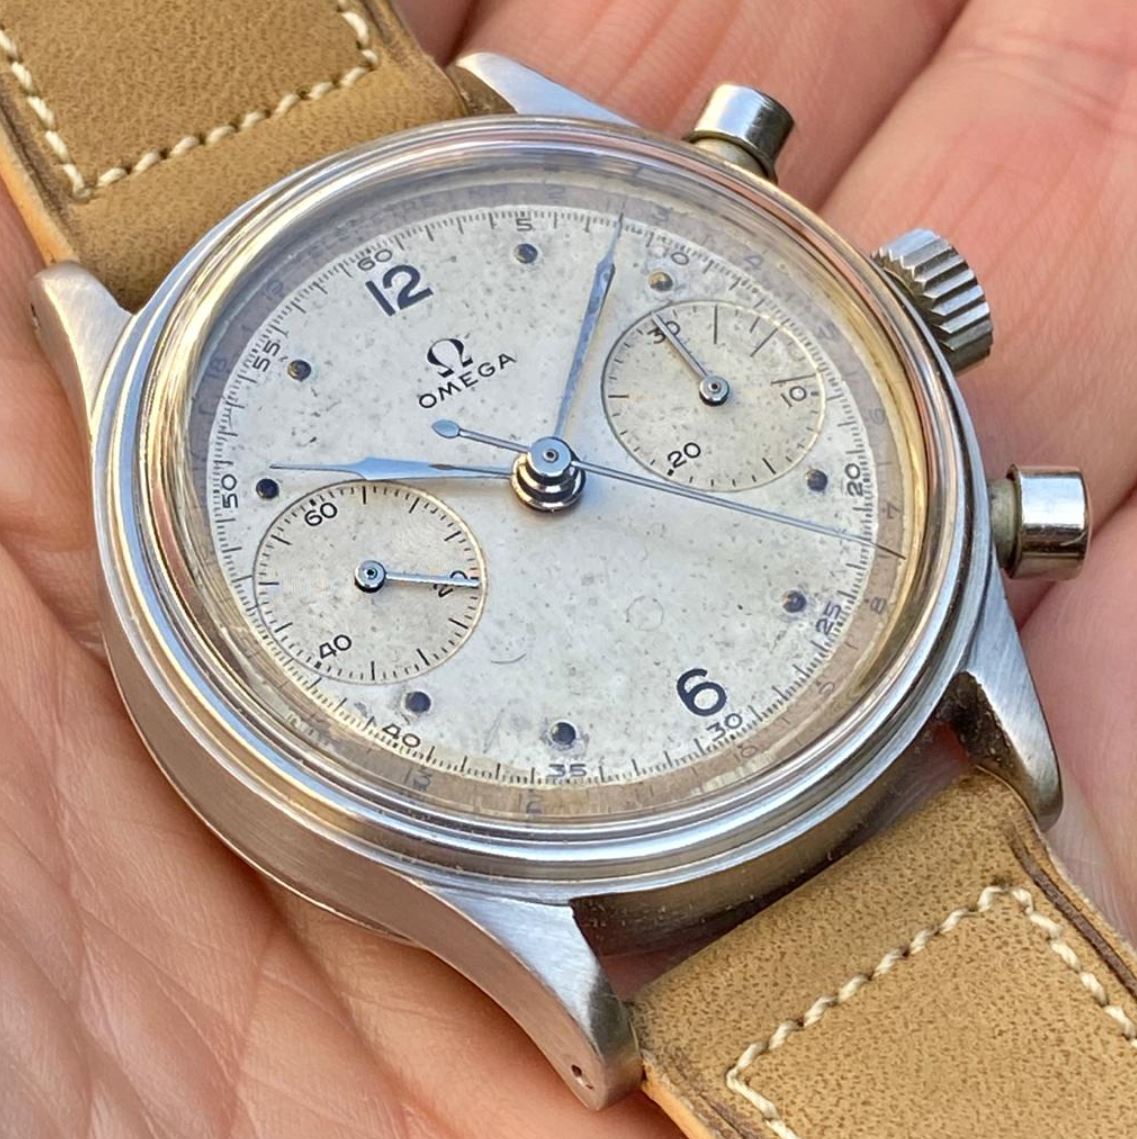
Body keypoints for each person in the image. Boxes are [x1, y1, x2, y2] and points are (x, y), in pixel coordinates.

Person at [2, 1, 1133, 1134]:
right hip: (563, 887)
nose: (547, 469)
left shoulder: (542, 152)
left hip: (888, 695)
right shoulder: (169, 443)